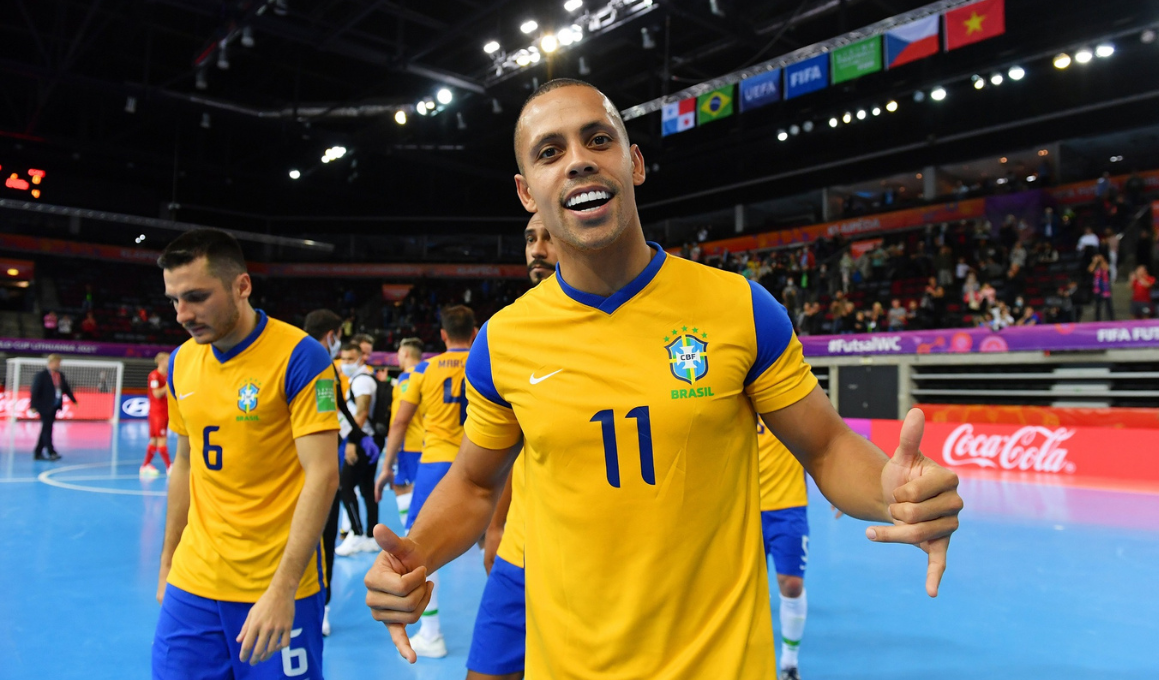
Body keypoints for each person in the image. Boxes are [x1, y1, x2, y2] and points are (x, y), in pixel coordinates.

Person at [363, 79, 962, 678]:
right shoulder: (503, 342)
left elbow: (826, 446)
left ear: (635, 163)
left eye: (598, 139)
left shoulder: (740, 309)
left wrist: (892, 490)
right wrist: (417, 554)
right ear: (526, 193)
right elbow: (474, 485)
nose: (578, 160)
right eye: (550, 152)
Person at [153, 229, 340, 678]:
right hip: (193, 581)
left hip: (274, 583)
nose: (182, 314)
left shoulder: (302, 357)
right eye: (174, 300)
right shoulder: (181, 362)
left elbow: (323, 475)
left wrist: (284, 589)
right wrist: (167, 564)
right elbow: (184, 464)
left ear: (242, 286)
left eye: (196, 297)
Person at [467, 212, 560, 680]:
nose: (536, 250)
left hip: (590, 563)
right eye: (529, 238)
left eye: (548, 237)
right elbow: (505, 452)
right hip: (520, 552)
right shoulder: (508, 334)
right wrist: (497, 526)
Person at [374, 304, 478, 659]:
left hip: (435, 464)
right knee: (500, 547)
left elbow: (400, 422)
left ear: (443, 335)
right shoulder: (486, 361)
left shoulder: (424, 369)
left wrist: (387, 466)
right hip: (482, 462)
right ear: (474, 332)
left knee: (415, 552)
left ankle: (431, 634)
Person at [302, 308, 380, 639]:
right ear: (332, 335)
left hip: (291, 464)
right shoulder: (319, 361)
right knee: (323, 536)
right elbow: (334, 409)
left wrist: (359, 437)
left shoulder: (290, 355)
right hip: (320, 464)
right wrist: (356, 437)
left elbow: (338, 406)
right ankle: (319, 608)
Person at [756, 416, 811, 680]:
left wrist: (837, 488)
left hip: (788, 506)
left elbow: (821, 442)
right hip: (744, 506)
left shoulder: (787, 404)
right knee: (748, 589)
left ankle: (789, 663)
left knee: (791, 584)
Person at [333, 340, 382, 557]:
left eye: (350, 359)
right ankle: (370, 537)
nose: (346, 363)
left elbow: (361, 414)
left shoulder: (361, 381)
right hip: (369, 439)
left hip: (363, 441)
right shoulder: (360, 379)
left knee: (344, 486)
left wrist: (353, 442)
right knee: (366, 488)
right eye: (343, 359)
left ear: (360, 358)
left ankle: (357, 533)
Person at [389, 338, 427, 526]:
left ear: (405, 353)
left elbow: (401, 418)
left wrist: (392, 448)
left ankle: (410, 530)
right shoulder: (426, 373)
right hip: (423, 439)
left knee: (403, 487)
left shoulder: (407, 378)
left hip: (408, 443)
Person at [30, 353, 77, 461]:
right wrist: (33, 405)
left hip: (54, 406)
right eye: (57, 362)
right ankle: (51, 452)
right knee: (48, 429)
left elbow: (66, 388)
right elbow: (35, 391)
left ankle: (38, 452)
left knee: (46, 429)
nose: (58, 365)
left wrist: (73, 400)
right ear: (51, 363)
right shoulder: (41, 375)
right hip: (44, 406)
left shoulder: (60, 375)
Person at [140, 352, 173, 477]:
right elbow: (157, 394)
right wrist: (168, 385)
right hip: (157, 413)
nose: (169, 363)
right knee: (162, 440)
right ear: (160, 361)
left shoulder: (168, 375)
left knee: (154, 440)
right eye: (167, 360)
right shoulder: (154, 376)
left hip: (165, 411)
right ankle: (169, 467)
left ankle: (145, 466)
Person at [1089, 254, 1114, 321]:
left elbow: (1106, 268)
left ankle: (1112, 319)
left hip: (1106, 289)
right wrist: (1095, 262)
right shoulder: (1096, 268)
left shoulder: (1105, 265)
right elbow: (1090, 270)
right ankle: (1097, 319)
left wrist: (1101, 259)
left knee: (1109, 306)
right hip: (1097, 289)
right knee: (1098, 306)